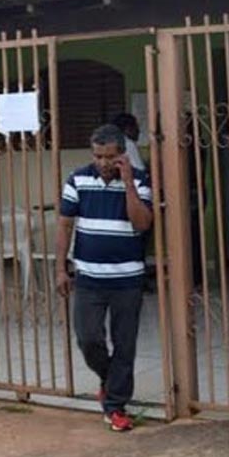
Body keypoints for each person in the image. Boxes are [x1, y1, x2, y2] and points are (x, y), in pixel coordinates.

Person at [55, 124, 153, 432]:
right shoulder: (78, 179)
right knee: (88, 338)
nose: (103, 162)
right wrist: (61, 268)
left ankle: (115, 406)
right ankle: (110, 381)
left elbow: (141, 224)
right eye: (98, 156)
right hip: (89, 278)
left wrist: (128, 184)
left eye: (109, 156)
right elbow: (65, 226)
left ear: (122, 155)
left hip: (127, 280)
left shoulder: (140, 180)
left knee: (125, 344)